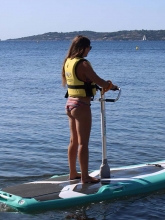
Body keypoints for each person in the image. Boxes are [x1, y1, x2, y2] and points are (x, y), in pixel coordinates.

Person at [61, 35, 118, 183]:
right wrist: (111, 86)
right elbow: (99, 81)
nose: (90, 50)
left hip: (70, 104)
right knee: (83, 143)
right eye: (89, 47)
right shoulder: (83, 63)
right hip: (81, 106)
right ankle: (85, 177)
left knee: (73, 141)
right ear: (83, 48)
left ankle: (73, 172)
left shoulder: (68, 61)